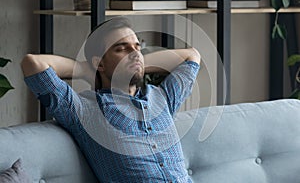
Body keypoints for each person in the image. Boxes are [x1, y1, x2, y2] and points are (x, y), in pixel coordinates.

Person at [21, 17, 201, 183]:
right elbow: (33, 64)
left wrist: (137, 62)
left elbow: (192, 56)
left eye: (137, 47)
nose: (134, 52)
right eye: (121, 48)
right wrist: (84, 69)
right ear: (99, 63)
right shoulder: (85, 110)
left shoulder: (163, 98)